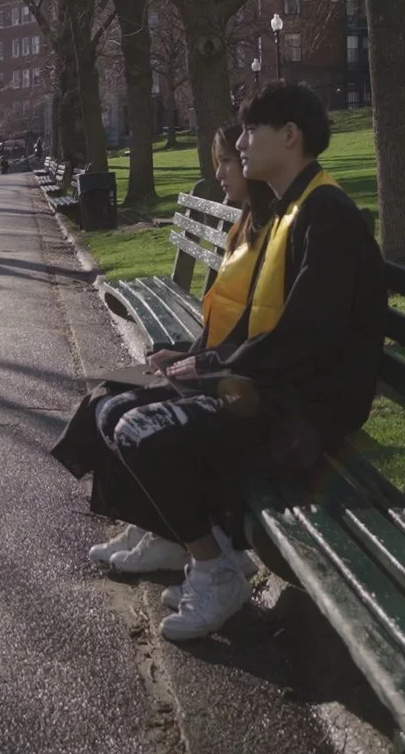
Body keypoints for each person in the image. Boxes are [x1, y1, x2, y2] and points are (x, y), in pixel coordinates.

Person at [52, 84, 385, 642]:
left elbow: (307, 333)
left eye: (252, 130)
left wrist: (209, 371)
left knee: (138, 426)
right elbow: (266, 329)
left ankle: (217, 568)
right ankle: (193, 545)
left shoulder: (325, 213)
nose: (243, 141)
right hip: (268, 390)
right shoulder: (290, 210)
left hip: (302, 412)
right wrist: (202, 361)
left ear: (290, 135)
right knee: (112, 410)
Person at [82, 124, 275, 575]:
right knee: (105, 400)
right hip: (220, 359)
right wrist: (189, 352)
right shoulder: (246, 222)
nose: (223, 171)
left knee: (125, 416)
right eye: (223, 160)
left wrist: (198, 361)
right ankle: (160, 526)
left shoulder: (277, 227)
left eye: (229, 161)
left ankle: (196, 547)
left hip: (244, 382)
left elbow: (256, 330)